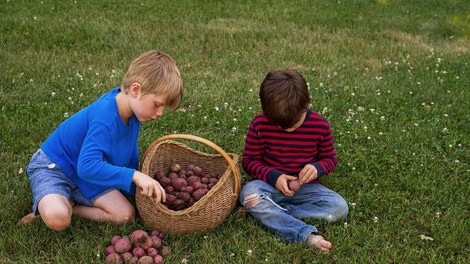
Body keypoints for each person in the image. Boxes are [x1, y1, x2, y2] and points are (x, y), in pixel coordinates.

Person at [18, 50, 183, 231]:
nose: (160, 113)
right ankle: (54, 206)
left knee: (125, 215)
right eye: (158, 104)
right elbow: (87, 166)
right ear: (136, 90)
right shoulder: (105, 116)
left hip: (87, 174)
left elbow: (128, 151)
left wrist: (134, 188)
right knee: (58, 219)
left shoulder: (132, 112)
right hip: (55, 167)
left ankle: (74, 206)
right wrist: (135, 176)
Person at [239, 69, 348, 252]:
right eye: (280, 126)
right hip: (269, 186)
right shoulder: (259, 123)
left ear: (307, 103)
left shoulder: (320, 126)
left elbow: (330, 159)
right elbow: (249, 160)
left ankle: (272, 213)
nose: (287, 130)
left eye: (294, 124)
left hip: (307, 188)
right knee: (249, 193)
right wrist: (275, 177)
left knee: (339, 208)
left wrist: (317, 168)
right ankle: (304, 234)